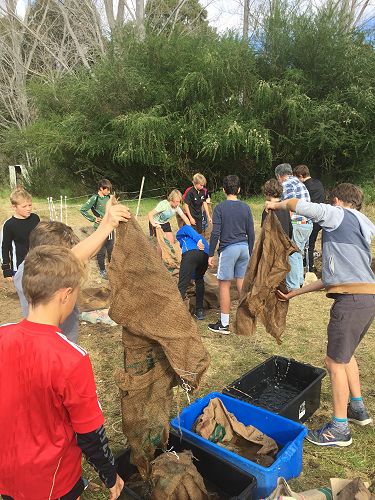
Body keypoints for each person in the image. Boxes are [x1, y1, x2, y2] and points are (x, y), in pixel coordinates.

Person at [0, 245, 125, 499]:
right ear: (65, 295)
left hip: (7, 473)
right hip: (53, 482)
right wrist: (109, 475)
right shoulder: (72, 359)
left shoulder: (2, 334)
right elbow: (89, 432)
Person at [266, 183, 375, 447]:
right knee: (346, 356)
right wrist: (295, 293)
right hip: (367, 297)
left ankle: (339, 430)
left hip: (350, 302)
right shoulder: (364, 223)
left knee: (334, 362)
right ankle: (357, 409)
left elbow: (296, 205)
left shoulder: (338, 214)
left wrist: (274, 205)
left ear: (336, 200)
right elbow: (329, 278)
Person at [13, 198, 129, 343]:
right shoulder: (34, 272)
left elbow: (87, 254)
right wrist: (108, 225)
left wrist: (106, 219)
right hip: (57, 345)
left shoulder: (27, 269)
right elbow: (76, 257)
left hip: (57, 341)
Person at [207, 175, 255, 334]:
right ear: (239, 190)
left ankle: (224, 324)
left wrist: (210, 254)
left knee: (224, 286)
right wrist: (250, 251)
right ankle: (247, 319)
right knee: (242, 284)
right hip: (243, 248)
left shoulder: (220, 208)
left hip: (229, 249)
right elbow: (251, 232)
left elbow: (215, 233)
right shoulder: (246, 207)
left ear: (223, 190)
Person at [275, 163, 313, 290]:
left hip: (297, 223)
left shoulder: (286, 184)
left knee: (293, 254)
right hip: (307, 223)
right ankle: (299, 281)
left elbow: (291, 205)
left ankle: (293, 286)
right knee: (298, 252)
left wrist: (287, 222)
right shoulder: (299, 183)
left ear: (279, 176)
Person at [1, 188, 40, 281]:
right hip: (19, 267)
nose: (28, 209)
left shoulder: (35, 218)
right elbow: (4, 247)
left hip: (37, 263)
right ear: (14, 207)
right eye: (24, 206)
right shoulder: (9, 225)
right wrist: (6, 269)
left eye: (30, 205)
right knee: (24, 293)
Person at [293, 164, 325, 272]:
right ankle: (309, 265)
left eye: (297, 178)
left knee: (308, 246)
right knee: (311, 244)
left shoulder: (304, 187)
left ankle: (309, 268)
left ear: (301, 176)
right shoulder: (318, 183)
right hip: (320, 218)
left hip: (310, 219)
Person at [80, 178, 113, 280]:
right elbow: (83, 209)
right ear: (101, 188)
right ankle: (102, 271)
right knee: (101, 251)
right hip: (100, 228)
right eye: (107, 189)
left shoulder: (109, 197)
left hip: (110, 227)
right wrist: (94, 219)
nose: (108, 191)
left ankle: (113, 269)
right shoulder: (95, 198)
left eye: (109, 189)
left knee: (111, 249)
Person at [176, 224, 209, 320]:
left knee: (182, 284)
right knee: (199, 279)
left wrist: (198, 240)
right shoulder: (204, 241)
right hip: (205, 256)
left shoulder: (181, 234)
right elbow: (193, 274)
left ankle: (175, 311)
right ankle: (200, 311)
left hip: (191, 254)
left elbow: (187, 228)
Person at [148, 189, 191, 254]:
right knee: (161, 243)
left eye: (179, 202)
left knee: (171, 241)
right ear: (171, 199)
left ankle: (167, 258)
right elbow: (150, 214)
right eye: (176, 201)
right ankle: (158, 260)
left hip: (165, 223)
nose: (178, 204)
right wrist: (154, 224)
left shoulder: (177, 207)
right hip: (155, 223)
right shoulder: (164, 205)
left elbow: (185, 218)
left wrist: (190, 228)